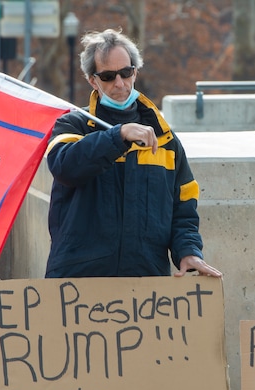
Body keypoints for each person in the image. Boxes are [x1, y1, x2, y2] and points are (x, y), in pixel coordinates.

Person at [44, 28, 221, 279]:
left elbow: (183, 209)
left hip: (145, 284)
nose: (119, 83)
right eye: (108, 76)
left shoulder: (165, 138)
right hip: (79, 282)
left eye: (126, 73)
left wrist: (188, 252)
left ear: (135, 72)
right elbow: (64, 166)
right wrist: (118, 136)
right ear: (92, 80)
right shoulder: (73, 125)